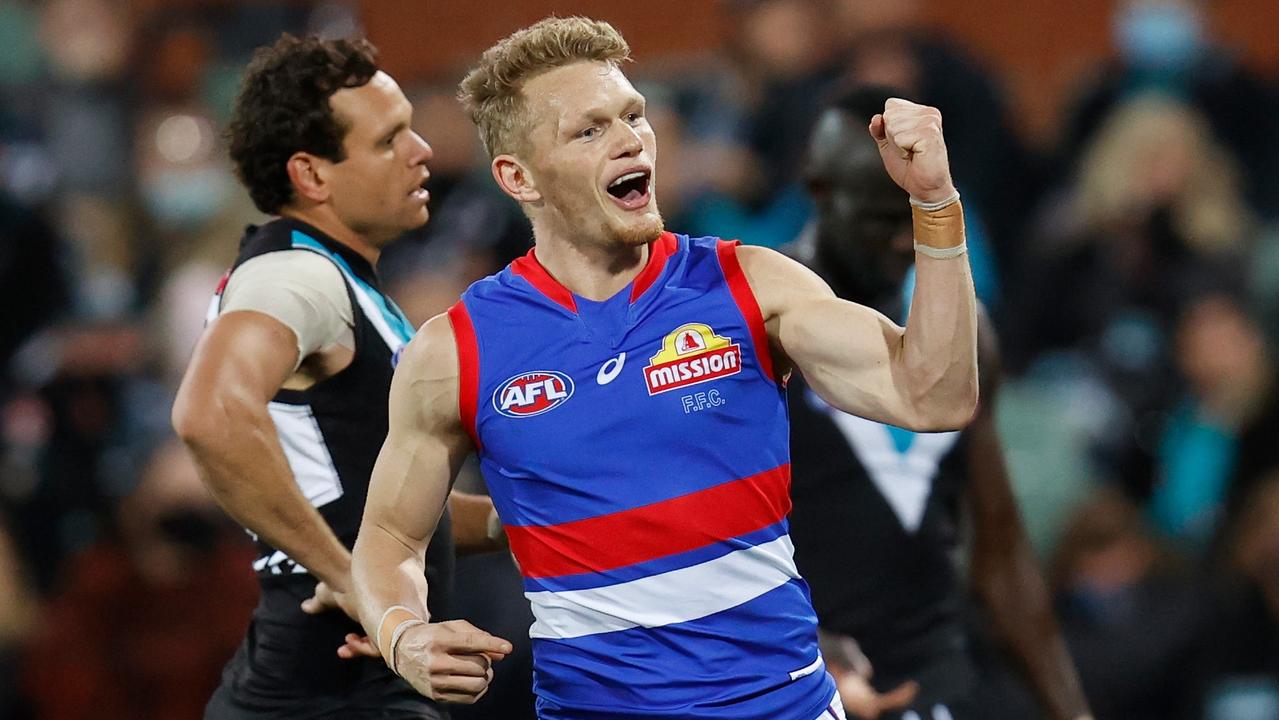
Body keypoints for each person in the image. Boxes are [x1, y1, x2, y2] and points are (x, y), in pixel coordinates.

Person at [350, 16, 977, 720]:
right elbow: (388, 540)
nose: (629, 140)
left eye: (633, 115)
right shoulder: (456, 351)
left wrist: (933, 204)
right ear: (517, 177)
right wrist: (402, 634)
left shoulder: (751, 286)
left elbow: (933, 398)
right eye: (588, 131)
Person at [171, 34, 504, 719]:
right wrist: (349, 575)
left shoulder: (342, 282)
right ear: (312, 176)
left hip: (334, 678)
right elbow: (208, 416)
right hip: (331, 687)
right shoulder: (298, 275)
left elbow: (360, 502)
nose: (422, 152)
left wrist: (513, 521)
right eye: (388, 140)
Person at [785, 86, 1092, 720]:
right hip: (801, 680)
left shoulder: (964, 332)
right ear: (818, 192)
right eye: (882, 219)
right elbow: (698, 541)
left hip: (935, 677)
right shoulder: (756, 328)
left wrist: (1072, 712)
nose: (904, 243)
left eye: (914, 218)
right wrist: (795, 646)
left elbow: (1000, 555)